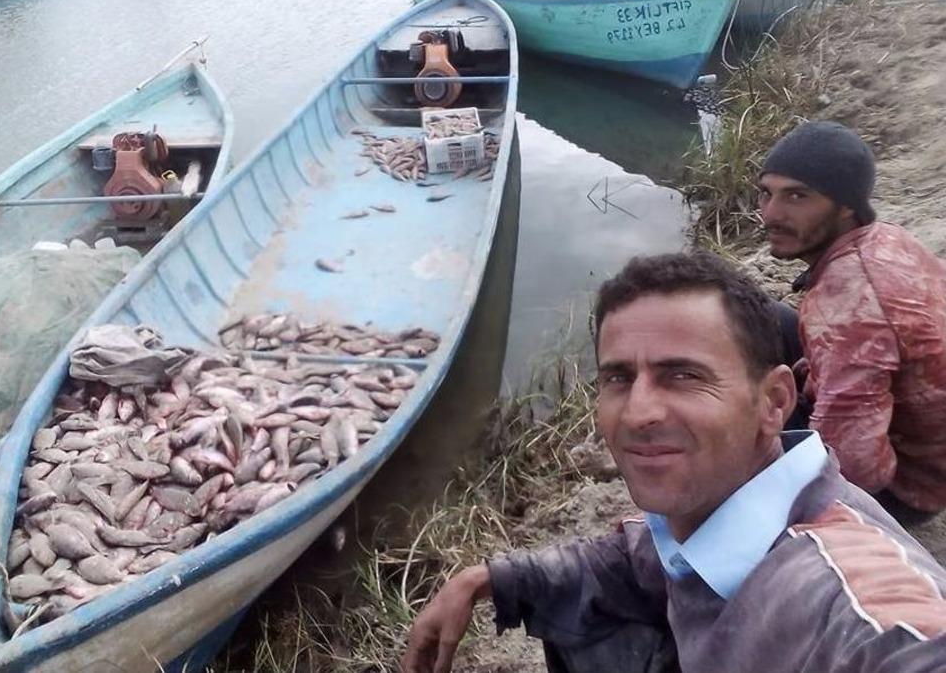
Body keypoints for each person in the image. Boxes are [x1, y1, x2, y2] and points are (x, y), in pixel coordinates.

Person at [401, 252, 946, 673]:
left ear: (775, 401)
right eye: (617, 378)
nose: (637, 412)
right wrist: (486, 580)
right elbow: (640, 557)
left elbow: (898, 634)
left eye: (683, 375)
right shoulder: (718, 510)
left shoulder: (846, 598)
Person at [758, 120, 946, 522]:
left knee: (744, 408)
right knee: (760, 318)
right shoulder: (883, 237)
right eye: (766, 193)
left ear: (846, 205)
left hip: (906, 490)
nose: (771, 214)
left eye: (797, 196)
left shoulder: (850, 307)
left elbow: (855, 468)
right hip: (923, 439)